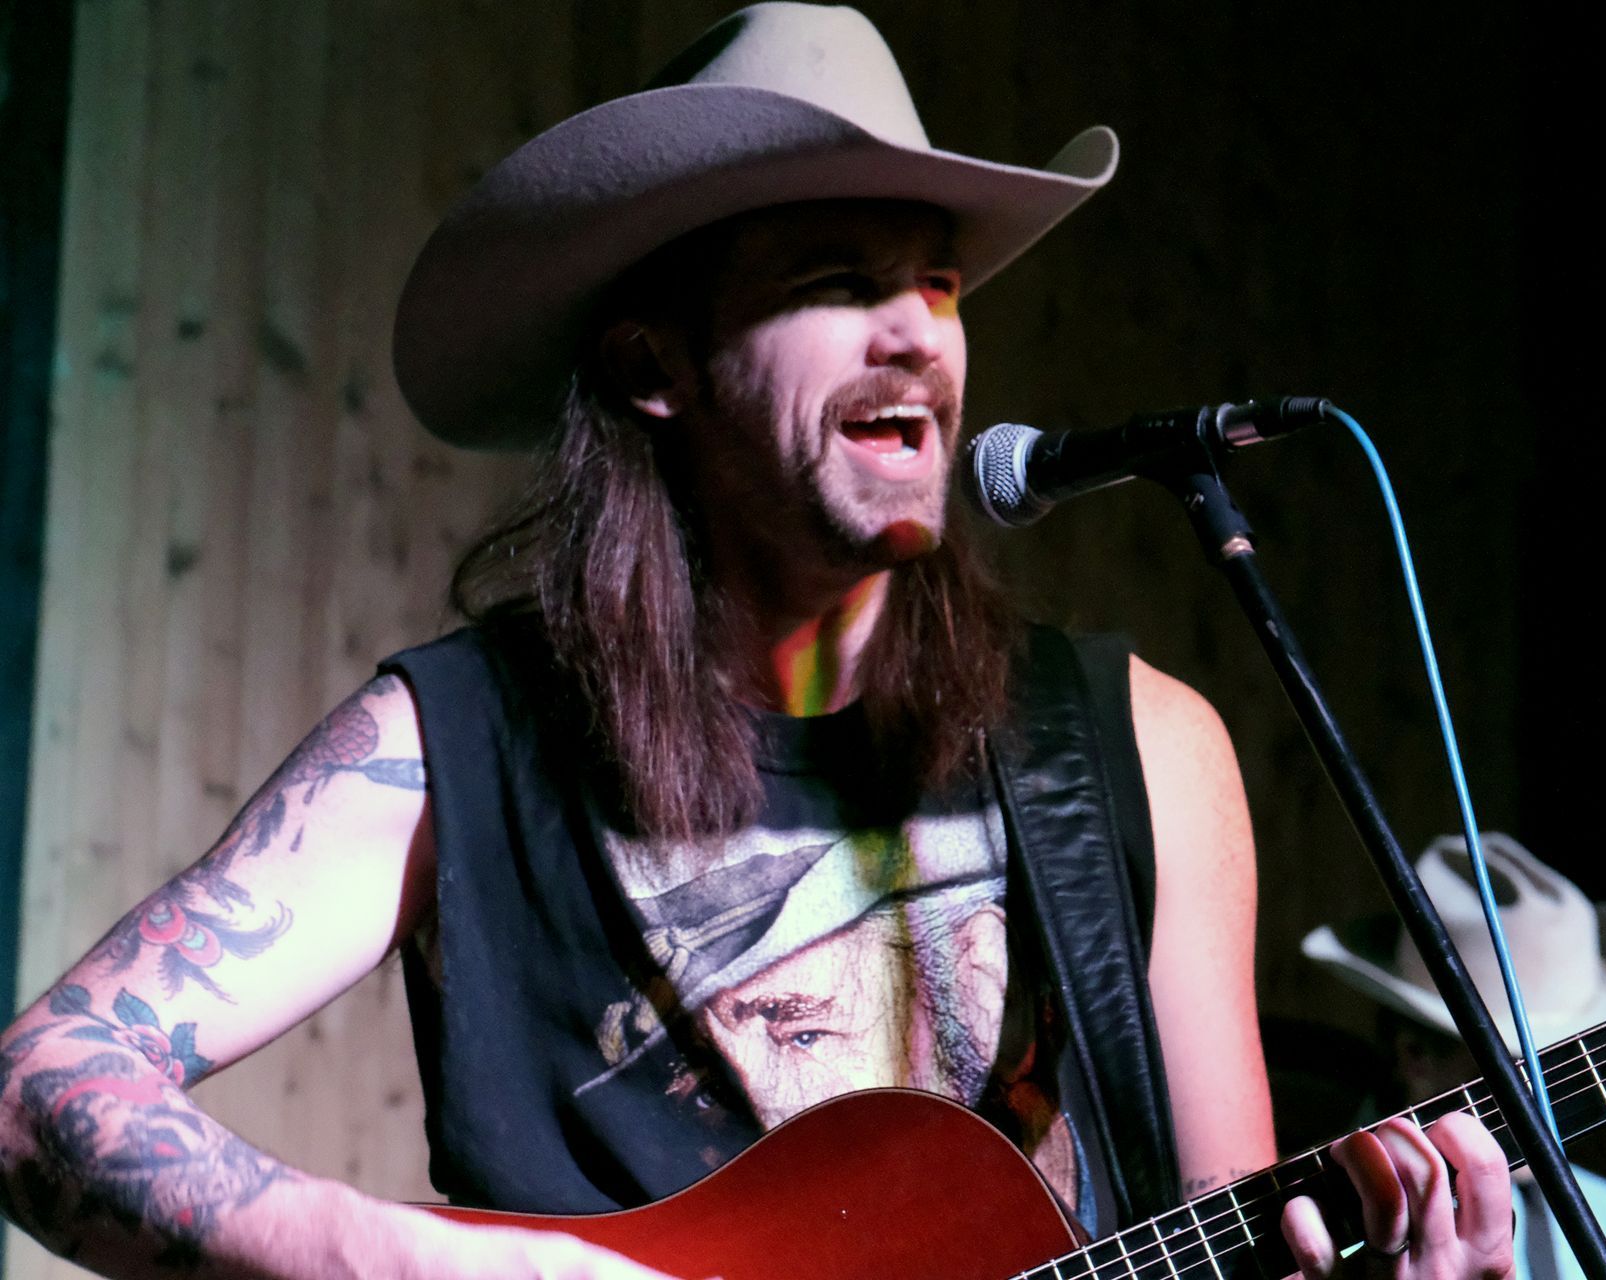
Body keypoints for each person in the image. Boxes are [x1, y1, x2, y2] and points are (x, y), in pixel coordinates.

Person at [0, 6, 1517, 1277]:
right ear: (659, 365)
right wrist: (431, 1264)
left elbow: (1230, 1241)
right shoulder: (462, 749)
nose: (916, 329)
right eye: (834, 282)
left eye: (934, 278)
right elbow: (40, 1087)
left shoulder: (1141, 751)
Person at [1302, 833, 1606, 1279]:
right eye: (1525, 1067)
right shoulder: (1320, 1224)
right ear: (1417, 1056)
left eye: (1573, 1065)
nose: (1555, 1096)